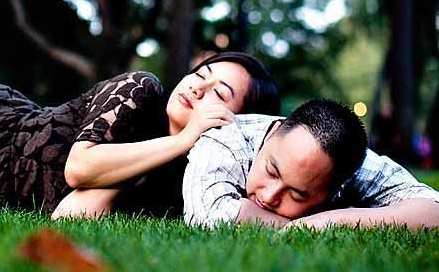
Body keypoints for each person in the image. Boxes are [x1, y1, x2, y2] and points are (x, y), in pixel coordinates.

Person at [0, 50, 279, 219]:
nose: (197, 85)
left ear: (237, 122)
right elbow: (80, 167)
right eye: (200, 72)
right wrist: (183, 140)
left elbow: (68, 219)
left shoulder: (186, 183)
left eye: (218, 91)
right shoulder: (140, 90)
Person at [183, 98, 439, 230]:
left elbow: (433, 210)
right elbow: (209, 216)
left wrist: (330, 221)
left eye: (296, 194)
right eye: (272, 171)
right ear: (274, 132)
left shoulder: (353, 164)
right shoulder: (228, 137)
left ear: (331, 193)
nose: (269, 196)